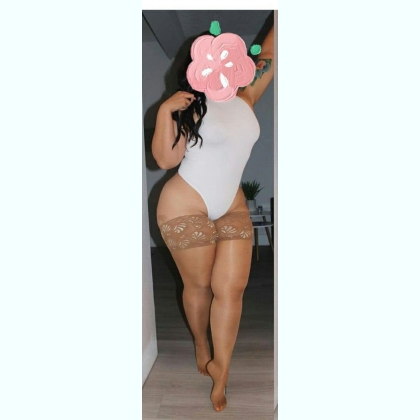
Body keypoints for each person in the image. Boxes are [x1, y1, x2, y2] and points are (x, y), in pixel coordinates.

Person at [151, 24, 274, 412]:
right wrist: (166, 110)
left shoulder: (246, 94)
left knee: (232, 289)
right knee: (200, 286)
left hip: (231, 205)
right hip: (184, 206)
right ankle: (201, 344)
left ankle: (222, 369)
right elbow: (165, 160)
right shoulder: (189, 106)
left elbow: (271, 53)